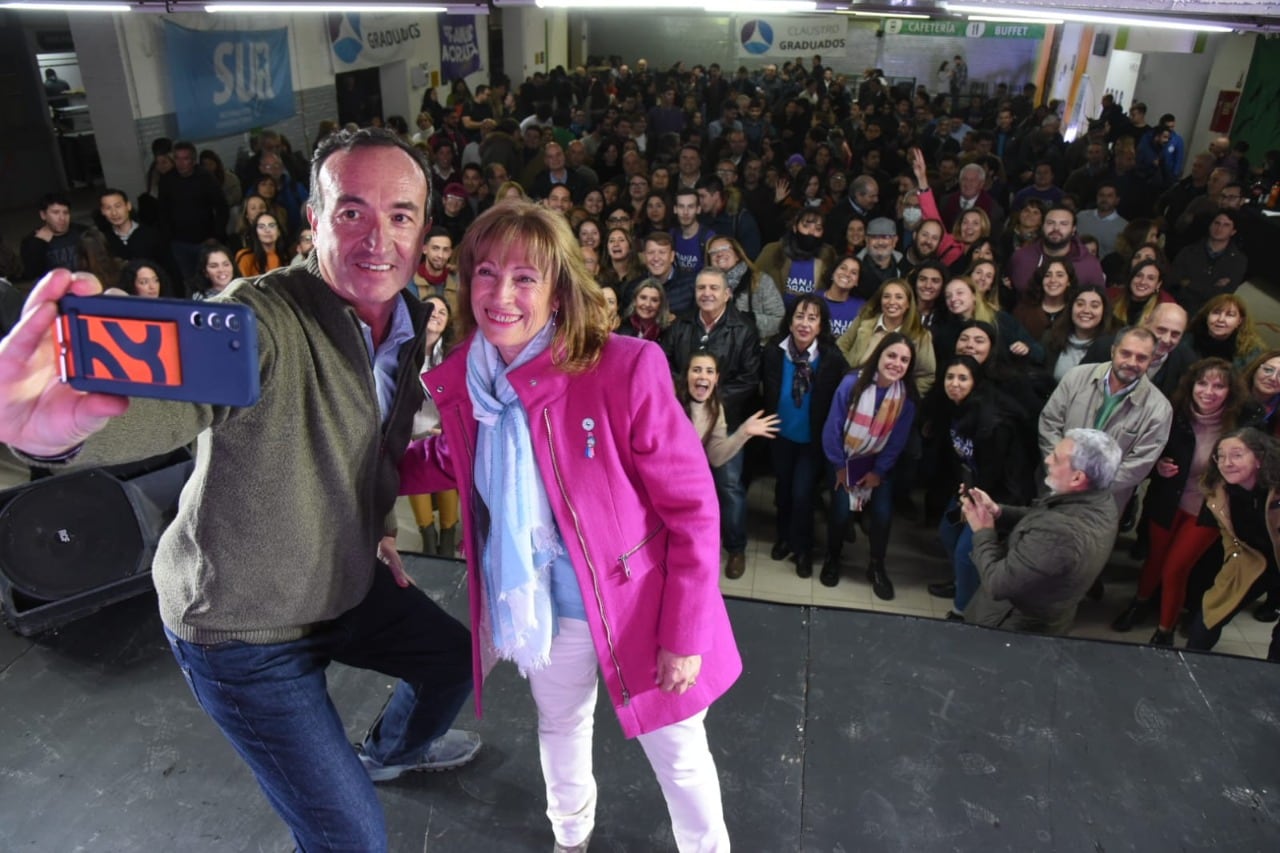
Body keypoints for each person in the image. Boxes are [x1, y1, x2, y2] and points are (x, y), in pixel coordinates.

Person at [0, 128, 478, 851]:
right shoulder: (258, 321)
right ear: (313, 221)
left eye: (401, 214)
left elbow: (376, 438)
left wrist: (377, 518)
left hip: (343, 580)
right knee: (351, 841)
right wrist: (51, 433)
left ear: (423, 228)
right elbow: (171, 397)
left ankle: (387, 751)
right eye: (351, 212)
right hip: (244, 630)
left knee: (452, 660)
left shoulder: (404, 318)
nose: (378, 238)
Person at [398, 201, 740, 851]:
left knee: (681, 756)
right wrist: (370, 475)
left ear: (559, 288)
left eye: (525, 276)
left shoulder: (624, 367)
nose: (502, 294)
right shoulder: (476, 376)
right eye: (487, 273)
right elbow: (458, 457)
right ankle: (570, 835)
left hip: (640, 608)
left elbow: (694, 508)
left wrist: (684, 633)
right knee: (560, 726)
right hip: (539, 608)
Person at [1111, 358, 1255, 645]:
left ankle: (1165, 630)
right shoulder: (1172, 413)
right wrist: (1158, 467)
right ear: (1191, 386)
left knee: (1176, 568)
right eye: (1202, 383)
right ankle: (1140, 604)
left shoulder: (1241, 425)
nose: (1208, 392)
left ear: (1230, 392)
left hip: (1207, 511)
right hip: (1168, 501)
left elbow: (1252, 473)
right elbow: (1145, 453)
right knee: (1155, 558)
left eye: (1219, 386)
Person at [960, 429, 1122, 635]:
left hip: (1009, 626)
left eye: (1055, 457)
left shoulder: (1062, 536)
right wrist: (999, 512)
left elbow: (997, 583)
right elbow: (1043, 517)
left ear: (1077, 478)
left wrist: (983, 531)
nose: (1047, 460)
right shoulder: (1100, 498)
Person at [663, 267, 763, 580]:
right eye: (701, 287)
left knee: (729, 487)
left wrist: (710, 400)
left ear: (727, 293)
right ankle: (684, 545)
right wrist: (688, 393)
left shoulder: (744, 329)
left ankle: (735, 548)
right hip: (683, 421)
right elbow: (663, 364)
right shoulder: (681, 325)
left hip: (726, 420)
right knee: (681, 488)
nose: (706, 293)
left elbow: (749, 379)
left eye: (713, 288)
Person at [928, 355, 1037, 620]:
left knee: (968, 551)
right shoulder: (954, 408)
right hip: (971, 488)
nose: (954, 384)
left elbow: (995, 473)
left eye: (962, 378)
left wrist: (973, 505)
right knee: (947, 531)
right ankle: (964, 584)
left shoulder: (992, 422)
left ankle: (962, 610)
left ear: (975, 382)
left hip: (995, 497)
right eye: (950, 377)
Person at [821, 333, 919, 595]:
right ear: (879, 355)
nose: (896, 363)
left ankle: (876, 565)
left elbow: (897, 442)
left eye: (904, 360)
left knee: (883, 515)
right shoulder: (852, 383)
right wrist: (840, 467)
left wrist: (878, 472)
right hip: (844, 460)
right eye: (891, 355)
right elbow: (832, 428)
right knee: (840, 513)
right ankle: (833, 557)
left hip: (877, 465)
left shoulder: (906, 399)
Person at [1039, 327, 1173, 512]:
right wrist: (1062, 472)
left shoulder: (1159, 409)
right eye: (1125, 353)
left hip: (1103, 504)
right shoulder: (1076, 377)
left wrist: (1085, 487)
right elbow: (1049, 425)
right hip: (1053, 487)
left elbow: (1138, 466)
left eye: (1142, 358)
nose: (1131, 362)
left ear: (1151, 360)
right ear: (1113, 351)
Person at [763, 296, 847, 579]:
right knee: (783, 491)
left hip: (812, 442)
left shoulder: (832, 358)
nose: (804, 323)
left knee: (803, 496)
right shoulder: (775, 352)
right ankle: (784, 537)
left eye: (812, 318)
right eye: (799, 316)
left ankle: (803, 550)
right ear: (790, 319)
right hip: (780, 436)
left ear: (821, 326)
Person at [1186, 428, 1280, 661]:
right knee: (1209, 615)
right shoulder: (1217, 492)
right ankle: (1190, 664)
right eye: (1221, 456)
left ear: (1259, 459)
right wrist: (1235, 558)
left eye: (1237, 455)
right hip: (1251, 560)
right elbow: (1228, 537)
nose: (1227, 463)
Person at [405, 295, 459, 558]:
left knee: (448, 511)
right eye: (431, 309)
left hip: (440, 438)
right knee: (423, 512)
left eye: (443, 312)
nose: (437, 314)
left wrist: (448, 429)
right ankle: (429, 545)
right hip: (411, 438)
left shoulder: (451, 357)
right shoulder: (401, 350)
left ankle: (447, 546)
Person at [705, 234, 784, 343]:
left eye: (725, 249)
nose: (719, 254)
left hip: (754, 349)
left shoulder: (761, 281)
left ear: (737, 255)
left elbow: (779, 320)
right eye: (713, 252)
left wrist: (747, 320)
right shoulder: (705, 288)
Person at [1186, 293, 1265, 370]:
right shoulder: (1186, 341)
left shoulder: (1250, 351)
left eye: (1230, 315)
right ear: (1207, 316)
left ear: (1239, 321)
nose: (1221, 319)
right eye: (1216, 313)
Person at [19, 192, 85, 283]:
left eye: (66, 213)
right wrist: (38, 243)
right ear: (43, 215)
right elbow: (31, 274)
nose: (62, 218)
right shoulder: (31, 242)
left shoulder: (82, 232)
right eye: (55, 212)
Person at [234, 212, 285, 277]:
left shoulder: (285, 256)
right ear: (255, 232)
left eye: (271, 226)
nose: (267, 230)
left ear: (279, 232)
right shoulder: (245, 256)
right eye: (261, 227)